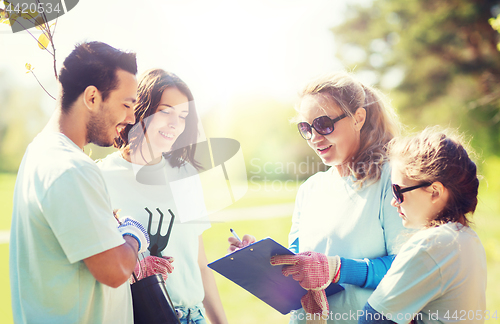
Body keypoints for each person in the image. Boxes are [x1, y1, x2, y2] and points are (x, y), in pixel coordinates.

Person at [228, 72, 410, 324]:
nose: (314, 137)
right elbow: (297, 262)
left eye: (324, 124)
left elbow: (408, 267)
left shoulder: (391, 179)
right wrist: (261, 258)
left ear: (358, 118)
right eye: (306, 127)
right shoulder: (310, 189)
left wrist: (335, 268)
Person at [10, 41, 150, 324]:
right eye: (126, 104)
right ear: (92, 98)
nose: (132, 117)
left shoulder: (40, 152)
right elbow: (114, 271)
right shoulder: (71, 168)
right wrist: (133, 232)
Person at [97, 68, 228, 324]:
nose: (174, 124)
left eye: (182, 116)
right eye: (165, 111)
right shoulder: (101, 177)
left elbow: (200, 264)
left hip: (194, 317)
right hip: (141, 317)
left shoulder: (185, 174)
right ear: (141, 109)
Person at [359, 128, 486, 324]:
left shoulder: (431, 244)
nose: (394, 201)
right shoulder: (468, 238)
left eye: (398, 190)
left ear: (435, 192)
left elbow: (371, 320)